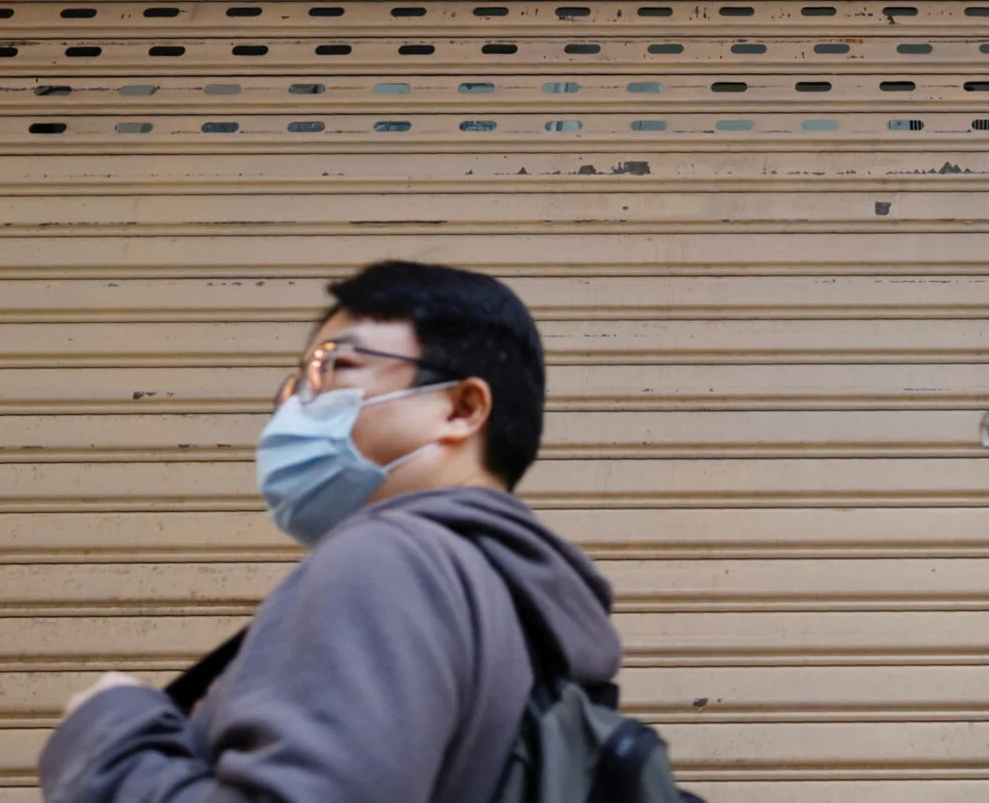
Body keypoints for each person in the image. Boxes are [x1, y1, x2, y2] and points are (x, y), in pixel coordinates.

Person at [40, 260, 628, 803]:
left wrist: (109, 736)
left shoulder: (389, 562)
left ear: (462, 408)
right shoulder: (513, 602)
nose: (297, 407)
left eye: (334, 368)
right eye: (297, 384)